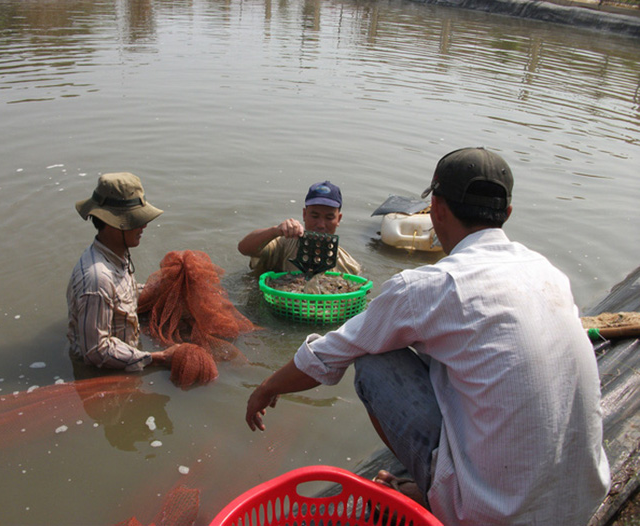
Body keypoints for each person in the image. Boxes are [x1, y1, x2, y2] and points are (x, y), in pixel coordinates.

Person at [245, 148, 610, 525]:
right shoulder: (548, 272)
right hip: (579, 501)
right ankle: (445, 485)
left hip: (491, 515)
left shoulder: (430, 286)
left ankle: (440, 497)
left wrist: (266, 387)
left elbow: (328, 353)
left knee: (373, 358)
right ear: (508, 214)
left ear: (435, 210)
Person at [67, 172, 179, 371]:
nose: (144, 225)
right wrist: (159, 358)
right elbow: (95, 351)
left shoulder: (117, 254)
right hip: (103, 373)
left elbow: (123, 295)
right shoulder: (97, 280)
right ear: (112, 224)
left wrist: (165, 291)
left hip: (127, 353)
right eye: (135, 220)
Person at [237, 181, 361, 275]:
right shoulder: (283, 245)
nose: (321, 225)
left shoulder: (349, 267)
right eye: (314, 216)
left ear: (338, 219)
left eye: (329, 217)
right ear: (304, 215)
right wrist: (275, 231)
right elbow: (244, 248)